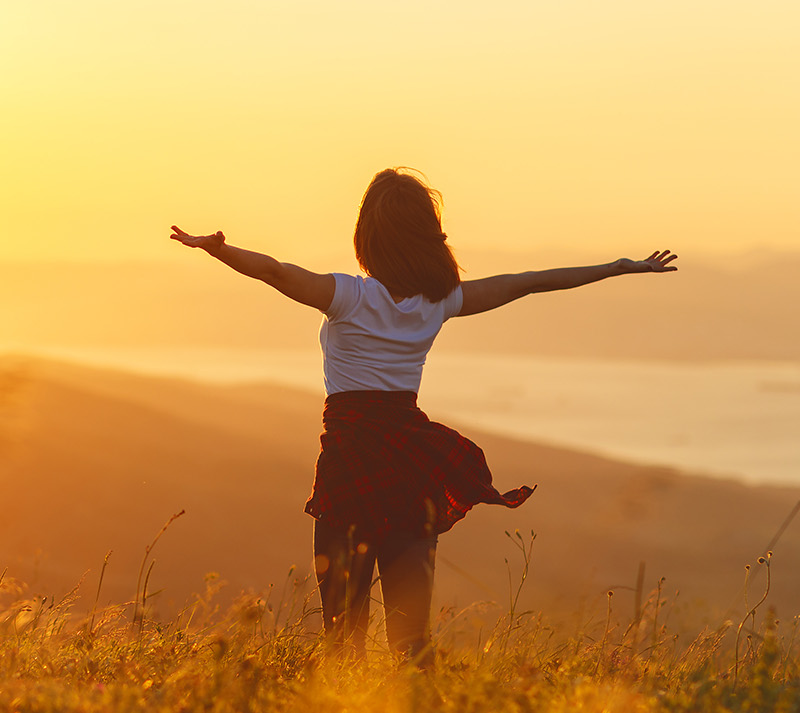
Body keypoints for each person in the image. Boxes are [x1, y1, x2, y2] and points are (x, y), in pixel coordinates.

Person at [169, 167, 678, 665]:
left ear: (368, 238)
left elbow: (276, 271)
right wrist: (617, 267)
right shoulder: (441, 302)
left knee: (343, 638)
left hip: (350, 466)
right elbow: (530, 282)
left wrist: (219, 251)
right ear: (428, 238)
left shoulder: (349, 296)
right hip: (412, 464)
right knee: (411, 641)